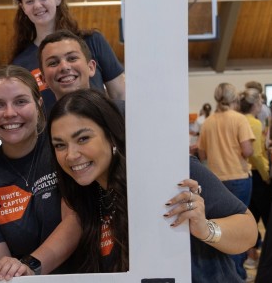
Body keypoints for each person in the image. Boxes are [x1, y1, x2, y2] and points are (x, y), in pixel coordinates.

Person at [48, 89, 257, 281]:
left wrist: (205, 229)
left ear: (111, 136)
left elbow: (248, 231)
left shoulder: (170, 172)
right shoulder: (87, 193)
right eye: (60, 145)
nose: (71, 155)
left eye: (83, 138)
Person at [0, 66, 79, 280]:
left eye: (20, 101)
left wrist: (29, 266)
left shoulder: (62, 149)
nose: (10, 113)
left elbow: (75, 220)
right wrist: (11, 270)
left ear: (38, 105)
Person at [11, 0, 125, 111]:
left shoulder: (93, 41)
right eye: (29, 1)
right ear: (23, 8)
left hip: (98, 129)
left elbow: (120, 93)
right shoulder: (20, 63)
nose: (37, 5)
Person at [197, 83, 255, 280]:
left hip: (214, 181)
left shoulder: (208, 122)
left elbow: (202, 153)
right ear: (235, 99)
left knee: (219, 232)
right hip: (238, 176)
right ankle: (238, 272)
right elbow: (247, 151)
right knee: (239, 230)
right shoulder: (240, 119)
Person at [36, 29, 125, 116]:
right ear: (43, 79)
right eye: (53, 63)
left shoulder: (124, 114)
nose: (64, 67)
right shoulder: (45, 129)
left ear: (91, 67)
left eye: (72, 58)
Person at [238, 89, 272, 271]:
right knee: (268, 218)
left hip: (244, 174)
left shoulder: (236, 120)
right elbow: (256, 155)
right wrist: (267, 174)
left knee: (250, 217)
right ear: (256, 105)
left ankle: (251, 256)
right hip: (258, 174)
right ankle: (271, 259)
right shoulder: (254, 123)